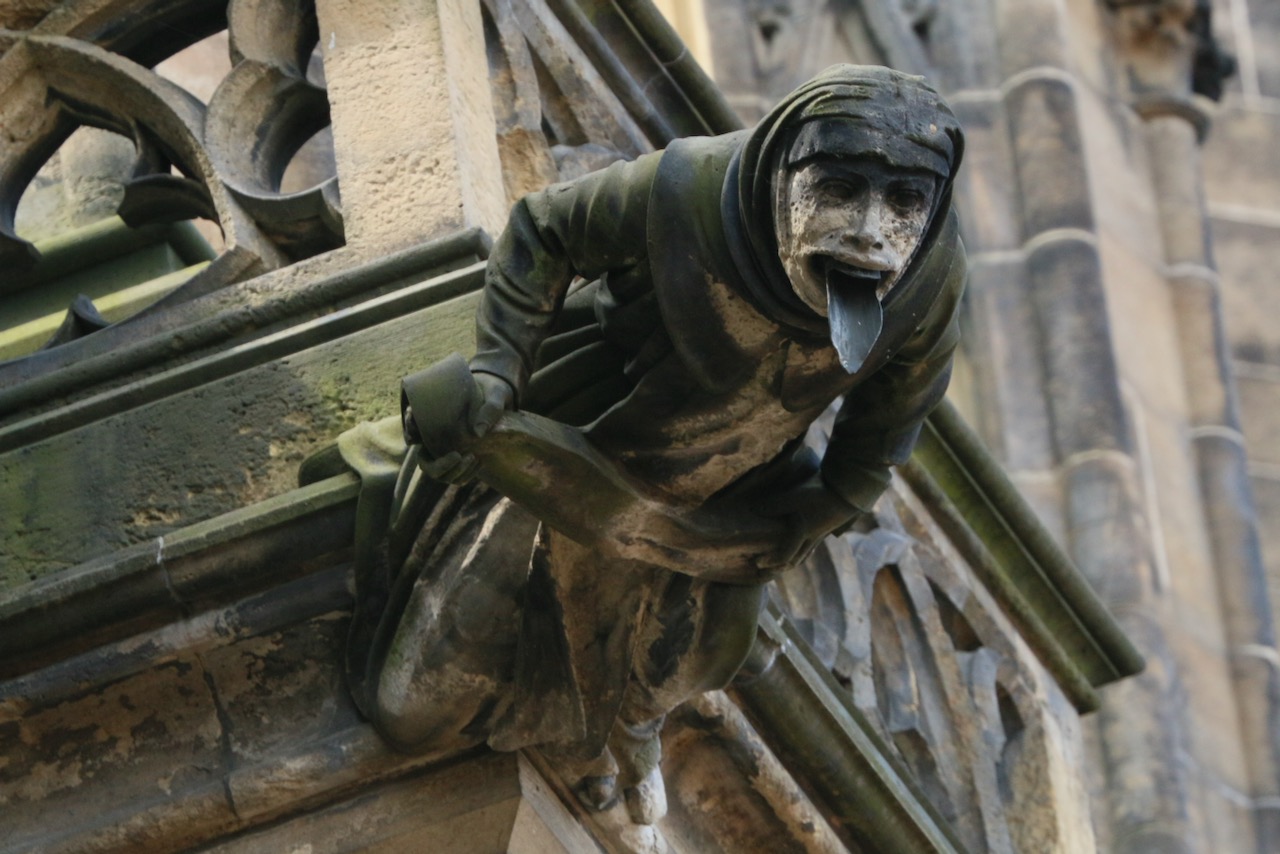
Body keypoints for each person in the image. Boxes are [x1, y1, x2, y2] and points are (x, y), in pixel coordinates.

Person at [350, 64, 966, 817]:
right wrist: (496, 377)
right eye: (837, 191)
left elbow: (878, 441)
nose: (872, 232)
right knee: (413, 706)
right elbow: (543, 231)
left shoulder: (927, 288)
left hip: (724, 499)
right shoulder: (692, 191)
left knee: (700, 651)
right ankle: (583, 722)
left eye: (905, 202)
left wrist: (805, 520)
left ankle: (627, 724)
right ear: (785, 174)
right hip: (586, 442)